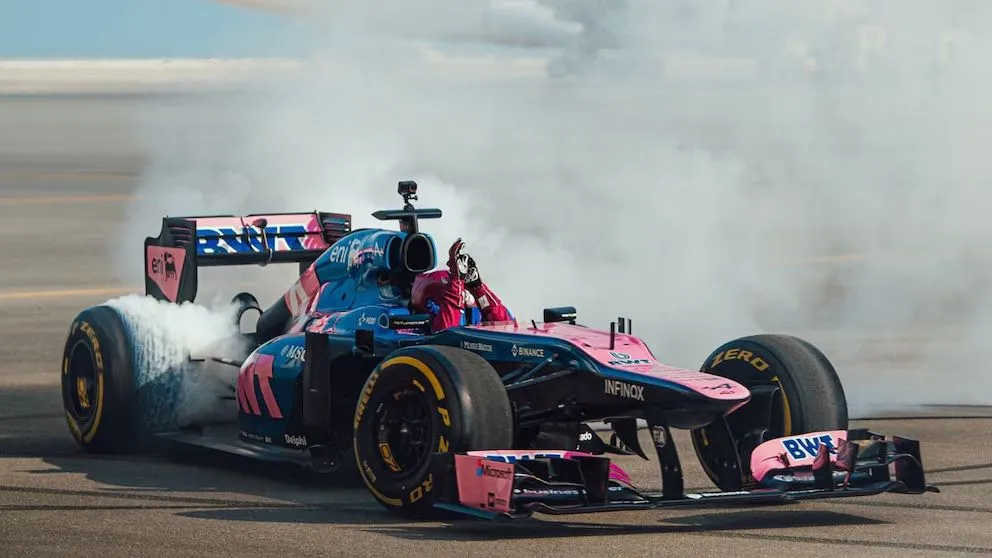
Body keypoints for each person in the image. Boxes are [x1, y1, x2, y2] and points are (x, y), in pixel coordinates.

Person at [410, 238, 514, 331]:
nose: (463, 297)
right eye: (458, 293)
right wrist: (456, 282)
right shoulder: (412, 329)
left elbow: (507, 329)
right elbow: (446, 335)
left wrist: (477, 288)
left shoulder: (475, 307)